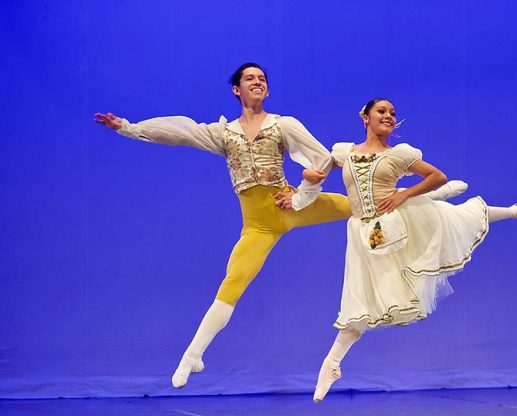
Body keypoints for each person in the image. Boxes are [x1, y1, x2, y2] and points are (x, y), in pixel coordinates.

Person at [93, 65, 466, 389]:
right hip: (259, 225)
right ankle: (193, 354)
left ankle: (435, 194)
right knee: (233, 281)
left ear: (267, 89)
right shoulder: (223, 134)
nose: (258, 82)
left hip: (291, 205)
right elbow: (180, 132)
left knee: (364, 208)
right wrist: (128, 128)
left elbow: (319, 159)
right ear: (236, 90)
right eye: (249, 79)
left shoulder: (281, 124)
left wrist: (301, 196)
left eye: (262, 79)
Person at [307, 98, 517, 403]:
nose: (389, 116)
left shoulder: (398, 155)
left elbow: (436, 176)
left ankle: (511, 212)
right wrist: (305, 185)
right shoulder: (343, 151)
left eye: (393, 113)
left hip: (397, 221)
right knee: (360, 304)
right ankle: (332, 365)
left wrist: (405, 194)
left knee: (452, 218)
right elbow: (316, 175)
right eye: (382, 111)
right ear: (364, 117)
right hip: (363, 233)